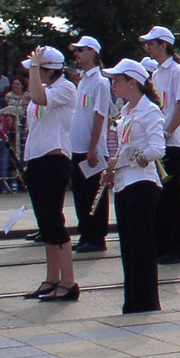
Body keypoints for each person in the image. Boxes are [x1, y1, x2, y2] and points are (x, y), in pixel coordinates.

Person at [102, 59, 165, 313]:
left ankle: (146, 301)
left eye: (118, 80)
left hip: (142, 184)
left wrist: (124, 160)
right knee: (128, 246)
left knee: (141, 246)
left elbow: (157, 149)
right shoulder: (126, 111)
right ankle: (133, 300)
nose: (113, 84)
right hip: (124, 184)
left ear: (133, 83)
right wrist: (114, 166)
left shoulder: (149, 111)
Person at [18, 46, 78, 301]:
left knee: (54, 221)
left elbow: (41, 99)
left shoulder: (65, 87)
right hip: (37, 160)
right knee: (46, 223)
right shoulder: (46, 90)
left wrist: (33, 71)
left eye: (37, 69)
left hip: (54, 160)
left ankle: (69, 280)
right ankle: (52, 277)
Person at [140, 26, 180, 265]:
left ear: (164, 45)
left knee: (172, 194)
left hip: (170, 141)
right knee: (161, 195)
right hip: (158, 139)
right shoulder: (157, 73)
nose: (147, 47)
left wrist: (167, 132)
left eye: (151, 43)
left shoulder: (177, 72)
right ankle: (163, 243)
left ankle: (178, 245)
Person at [68, 36, 111, 255]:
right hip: (77, 148)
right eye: (76, 50)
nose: (77, 54)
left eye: (81, 50)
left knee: (94, 193)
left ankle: (96, 236)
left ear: (93, 52)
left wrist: (93, 147)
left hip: (91, 149)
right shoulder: (83, 81)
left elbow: (100, 115)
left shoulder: (100, 82)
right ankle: (86, 232)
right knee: (81, 194)